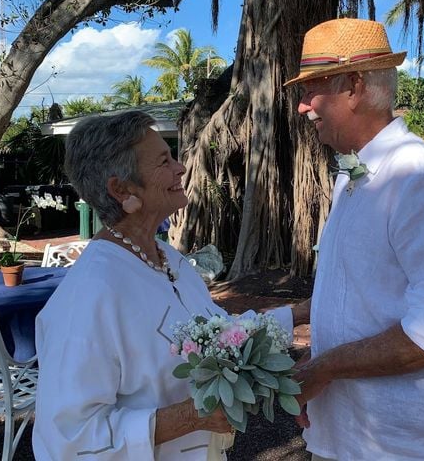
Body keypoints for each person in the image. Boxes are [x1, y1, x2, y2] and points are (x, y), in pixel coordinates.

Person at [32, 110, 310, 460]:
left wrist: (300, 313)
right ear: (121, 189)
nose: (180, 167)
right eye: (164, 160)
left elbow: (221, 335)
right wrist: (191, 417)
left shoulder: (167, 257)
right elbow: (68, 437)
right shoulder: (91, 294)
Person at [285, 18, 424, 461]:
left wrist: (324, 369)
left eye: (310, 89)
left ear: (354, 87)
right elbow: (358, 287)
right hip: (348, 437)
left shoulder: (417, 175)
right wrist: (290, 320)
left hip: (406, 444)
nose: (302, 107)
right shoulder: (354, 174)